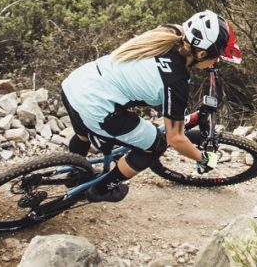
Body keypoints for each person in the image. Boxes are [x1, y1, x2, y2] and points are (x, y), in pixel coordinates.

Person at [58, 10, 243, 202]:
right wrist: (203, 159)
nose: (217, 61)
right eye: (217, 57)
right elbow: (176, 139)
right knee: (155, 146)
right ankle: (102, 189)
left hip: (76, 84)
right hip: (97, 107)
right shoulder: (176, 81)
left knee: (82, 135)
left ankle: (74, 173)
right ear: (202, 53)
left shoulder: (170, 32)